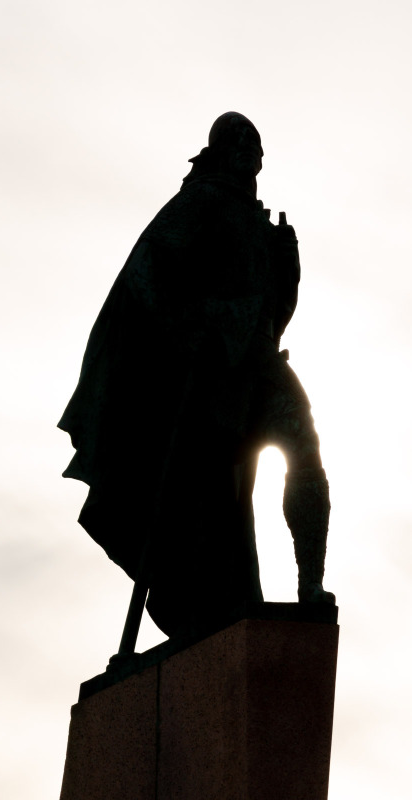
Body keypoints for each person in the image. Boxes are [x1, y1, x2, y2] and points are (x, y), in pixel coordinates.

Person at [59, 112, 334, 642]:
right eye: (244, 150)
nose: (253, 161)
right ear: (223, 152)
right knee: (214, 507)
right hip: (210, 383)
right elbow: (146, 284)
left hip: (259, 369)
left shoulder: (257, 221)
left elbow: (272, 315)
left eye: (257, 153)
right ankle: (216, 604)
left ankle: (311, 585)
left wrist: (287, 270)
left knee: (306, 451)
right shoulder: (199, 203)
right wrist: (206, 322)